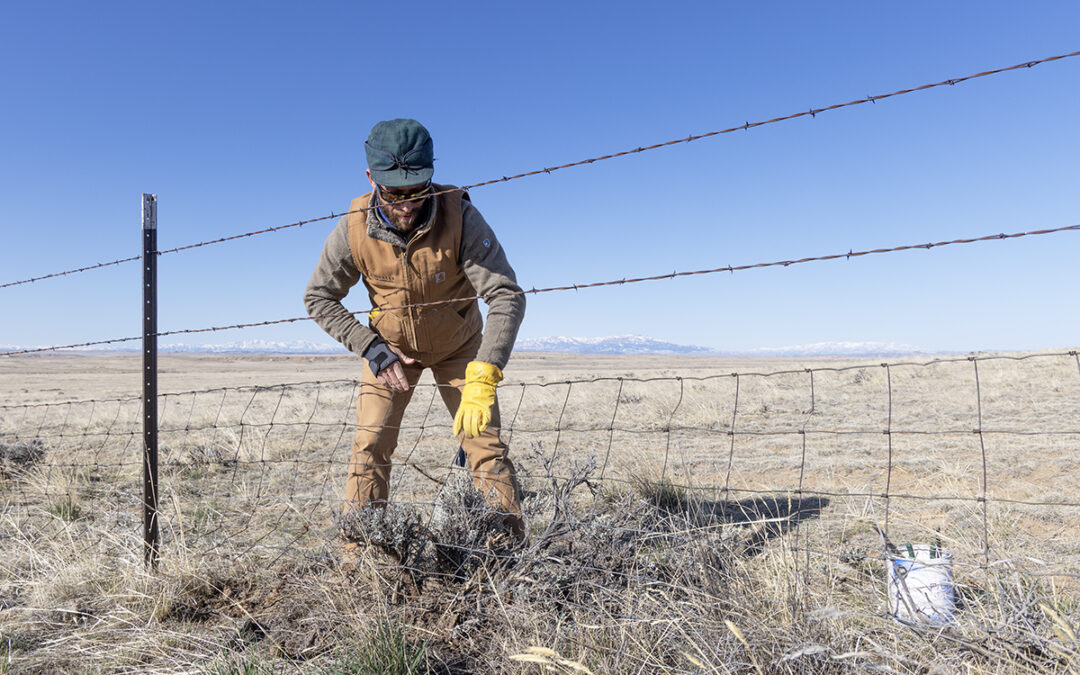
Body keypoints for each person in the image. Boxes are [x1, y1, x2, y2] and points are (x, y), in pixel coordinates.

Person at [304, 118, 526, 539]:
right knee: (369, 449)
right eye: (394, 193)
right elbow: (319, 297)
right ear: (371, 179)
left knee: (484, 448)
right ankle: (361, 558)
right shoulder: (353, 227)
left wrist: (486, 371)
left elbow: (506, 295)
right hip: (390, 353)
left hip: (459, 349)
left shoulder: (459, 214)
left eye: (418, 190)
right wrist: (372, 349)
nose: (407, 204)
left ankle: (508, 554)